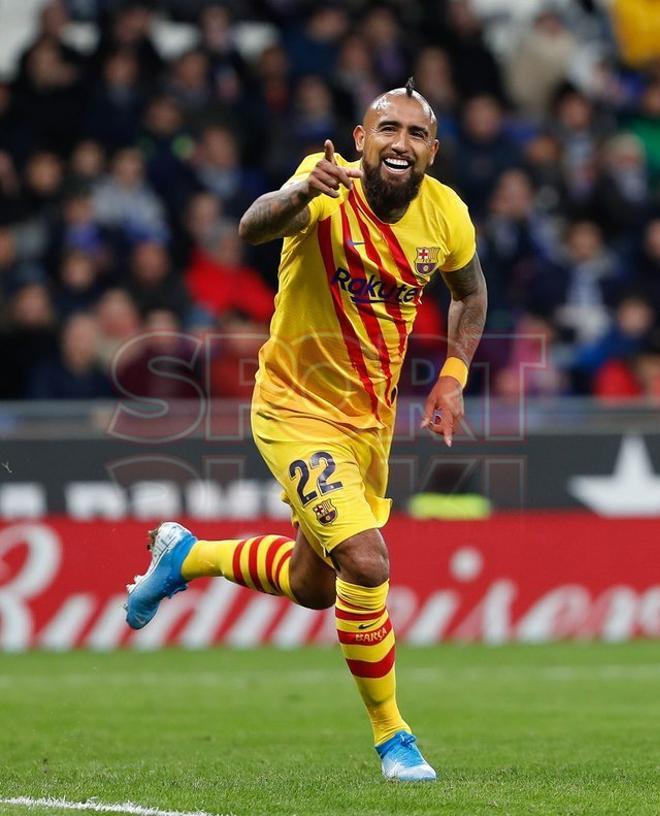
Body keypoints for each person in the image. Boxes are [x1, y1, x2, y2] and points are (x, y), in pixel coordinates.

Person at [124, 79, 487, 781]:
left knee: (315, 585)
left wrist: (453, 378)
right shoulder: (323, 184)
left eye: (416, 134)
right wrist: (298, 195)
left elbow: (471, 292)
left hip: (367, 423)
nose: (400, 144)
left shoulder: (447, 217)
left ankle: (186, 557)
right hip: (293, 407)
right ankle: (394, 738)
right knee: (369, 563)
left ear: (433, 153)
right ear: (360, 139)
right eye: (388, 129)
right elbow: (253, 226)